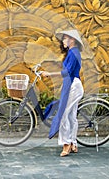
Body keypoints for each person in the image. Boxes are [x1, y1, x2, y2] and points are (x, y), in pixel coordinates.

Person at [41, 29, 84, 157]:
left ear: (73, 40)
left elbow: (67, 72)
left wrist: (50, 74)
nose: (63, 40)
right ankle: (73, 142)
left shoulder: (74, 52)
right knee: (71, 116)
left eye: (65, 38)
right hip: (74, 85)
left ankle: (66, 144)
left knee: (64, 114)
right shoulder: (73, 52)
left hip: (73, 86)